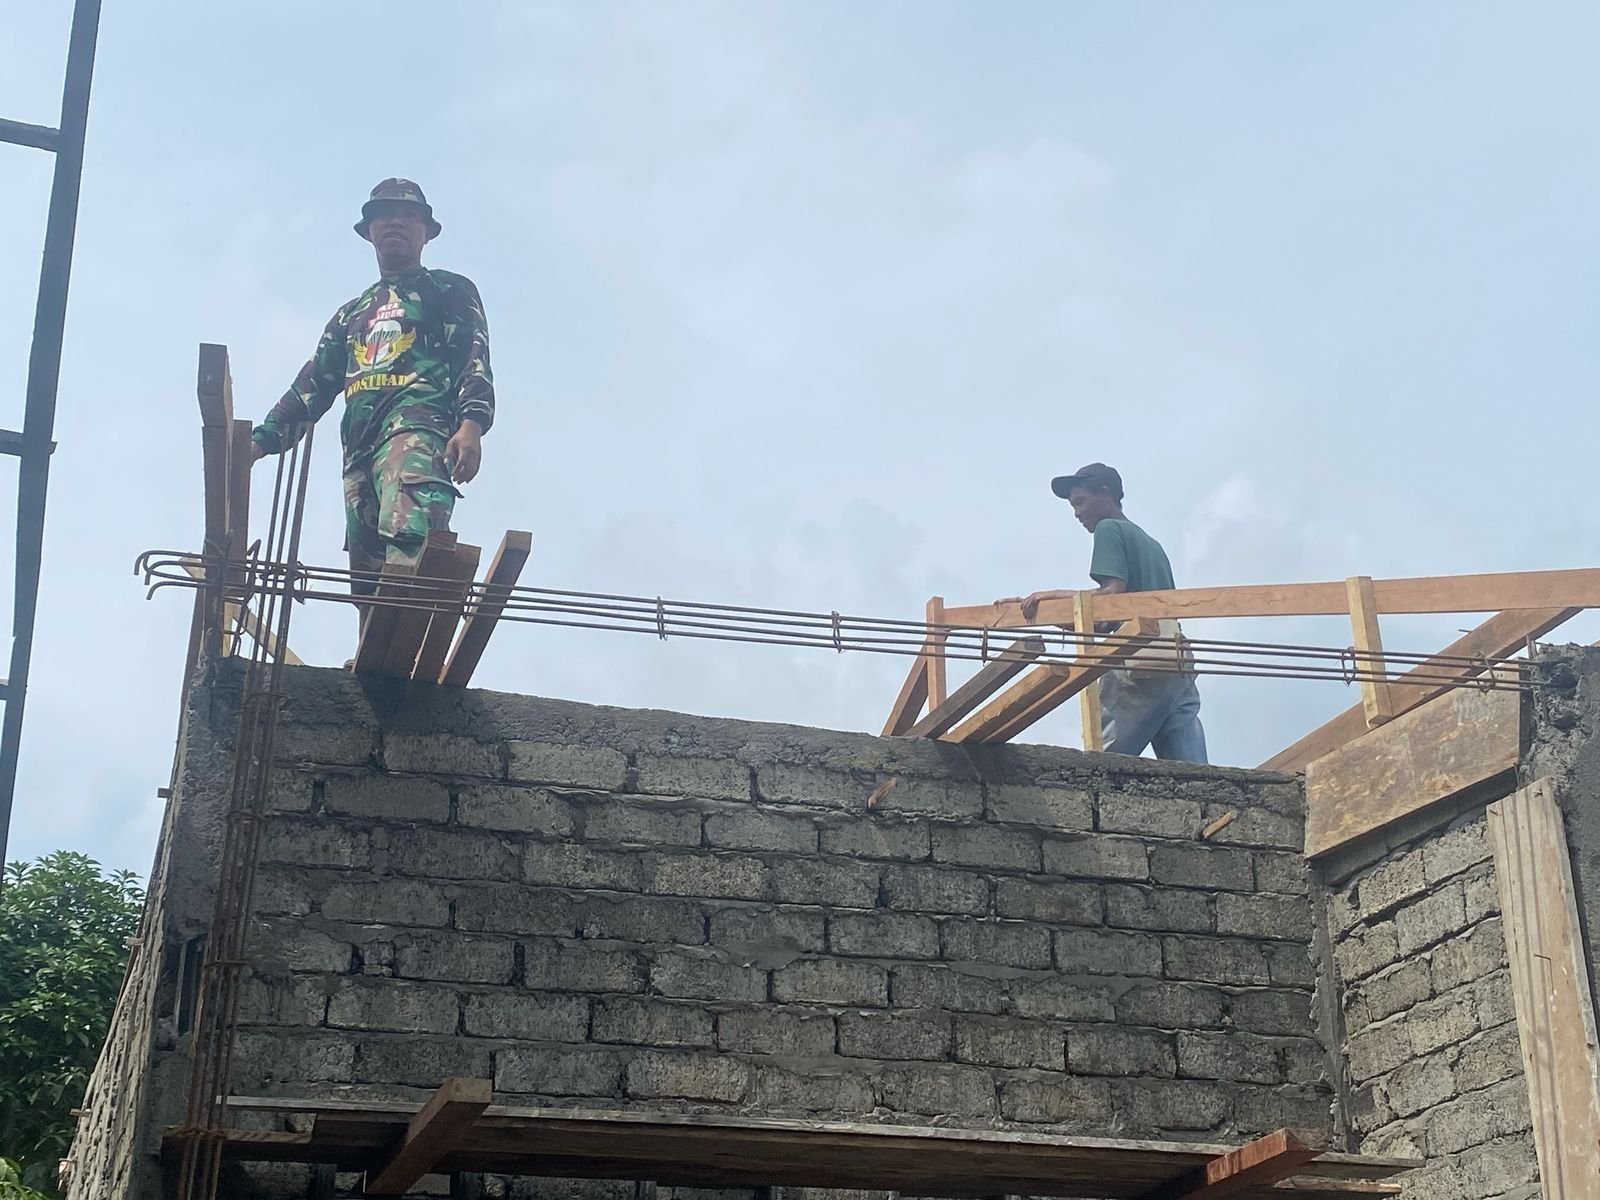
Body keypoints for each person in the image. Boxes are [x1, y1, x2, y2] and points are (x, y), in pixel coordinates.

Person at [250, 178, 494, 622]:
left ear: (426, 231)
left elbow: (472, 356)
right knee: (368, 565)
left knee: (409, 527)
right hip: (360, 449)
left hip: (417, 426)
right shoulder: (351, 314)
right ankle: (373, 646)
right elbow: (312, 386)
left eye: (409, 216)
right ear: (370, 231)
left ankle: (412, 632)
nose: (396, 222)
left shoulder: (447, 290)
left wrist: (471, 424)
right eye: (385, 215)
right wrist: (257, 443)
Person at [997, 462, 1207, 763]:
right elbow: (1105, 620)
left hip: (1138, 660)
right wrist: (1057, 616)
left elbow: (1111, 596)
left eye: (1081, 502)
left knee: (1103, 764)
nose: (1077, 513)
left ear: (1105, 493)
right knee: (1194, 770)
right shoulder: (1151, 544)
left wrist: (1050, 597)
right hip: (1176, 659)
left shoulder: (1109, 529)